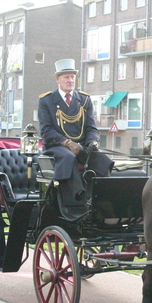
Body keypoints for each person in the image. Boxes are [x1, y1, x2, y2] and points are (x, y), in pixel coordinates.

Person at [38, 58, 113, 221]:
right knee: (68, 157)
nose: (70, 80)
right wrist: (67, 143)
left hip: (82, 145)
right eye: (66, 77)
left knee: (102, 159)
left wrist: (92, 142)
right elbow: (46, 131)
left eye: (72, 77)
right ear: (58, 79)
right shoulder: (47, 101)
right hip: (56, 146)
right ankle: (77, 200)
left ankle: (103, 200)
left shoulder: (84, 100)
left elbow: (91, 127)